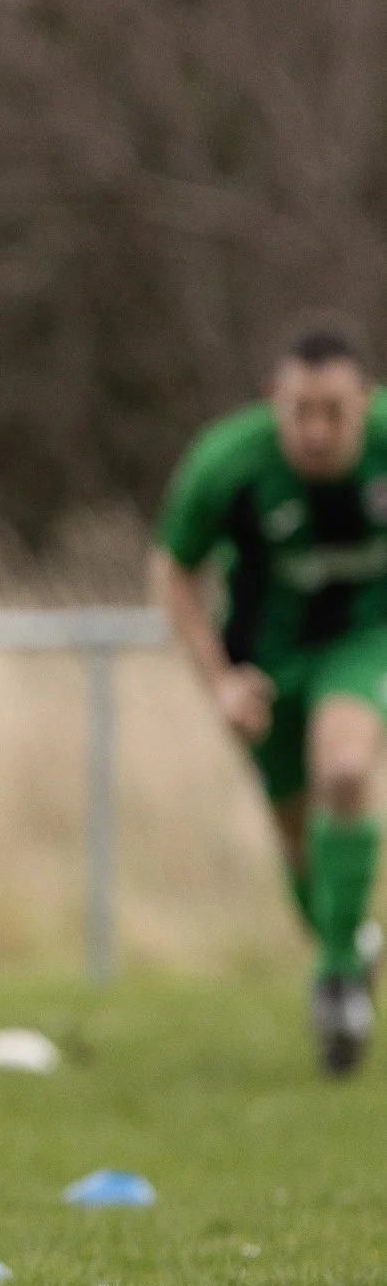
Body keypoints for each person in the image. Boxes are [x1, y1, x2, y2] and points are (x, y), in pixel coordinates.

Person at [154, 320, 387, 1075]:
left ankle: (335, 982)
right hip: (264, 661)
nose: (317, 431)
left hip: (363, 641)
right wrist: (218, 677)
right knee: (297, 840)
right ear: (272, 401)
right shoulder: (227, 462)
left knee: (346, 772)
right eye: (300, 412)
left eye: (336, 413)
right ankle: (346, 947)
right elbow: (172, 568)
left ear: (366, 401)